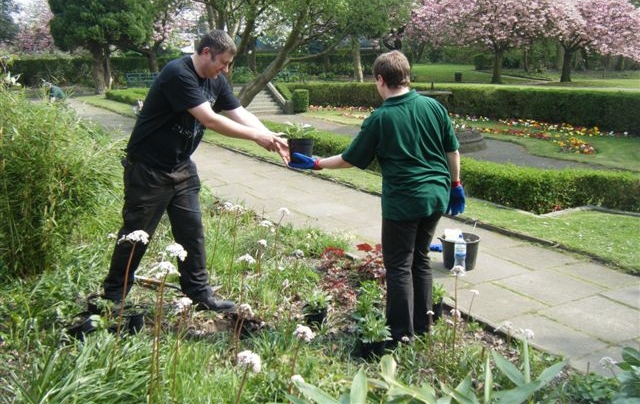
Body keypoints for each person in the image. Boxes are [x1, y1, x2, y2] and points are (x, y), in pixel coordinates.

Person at [103, 29, 289, 312]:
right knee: (136, 235)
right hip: (149, 168)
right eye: (223, 63)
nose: (225, 70)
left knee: (192, 233)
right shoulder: (178, 73)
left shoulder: (216, 80)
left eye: (228, 64)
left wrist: (271, 136)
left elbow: (239, 113)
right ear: (205, 53)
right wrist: (255, 138)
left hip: (181, 168)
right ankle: (114, 296)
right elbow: (210, 120)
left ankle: (199, 293)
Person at [289, 50, 465, 343]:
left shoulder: (381, 118)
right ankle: (423, 328)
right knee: (419, 259)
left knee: (398, 266)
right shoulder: (434, 107)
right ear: (407, 76)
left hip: (405, 200)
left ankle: (399, 336)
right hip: (436, 197)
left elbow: (350, 158)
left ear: (380, 79)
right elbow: (453, 151)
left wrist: (317, 163)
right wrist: (455, 184)